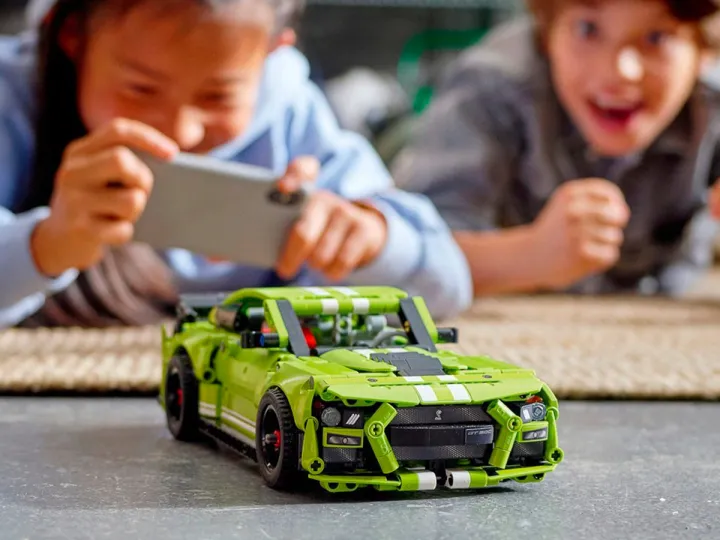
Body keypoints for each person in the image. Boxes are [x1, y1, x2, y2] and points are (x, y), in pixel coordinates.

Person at [0, 0, 473, 328]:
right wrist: (47, 244)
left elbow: (448, 285)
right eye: (140, 89)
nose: (181, 132)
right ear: (72, 37)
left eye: (217, 96)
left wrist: (370, 240)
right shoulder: (13, 99)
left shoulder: (290, 113)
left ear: (272, 54)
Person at [392, 0, 720, 297]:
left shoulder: (712, 101)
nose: (620, 71)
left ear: (704, 52)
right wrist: (529, 255)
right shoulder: (490, 86)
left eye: (656, 38)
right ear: (546, 33)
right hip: (402, 137)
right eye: (587, 29)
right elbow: (400, 252)